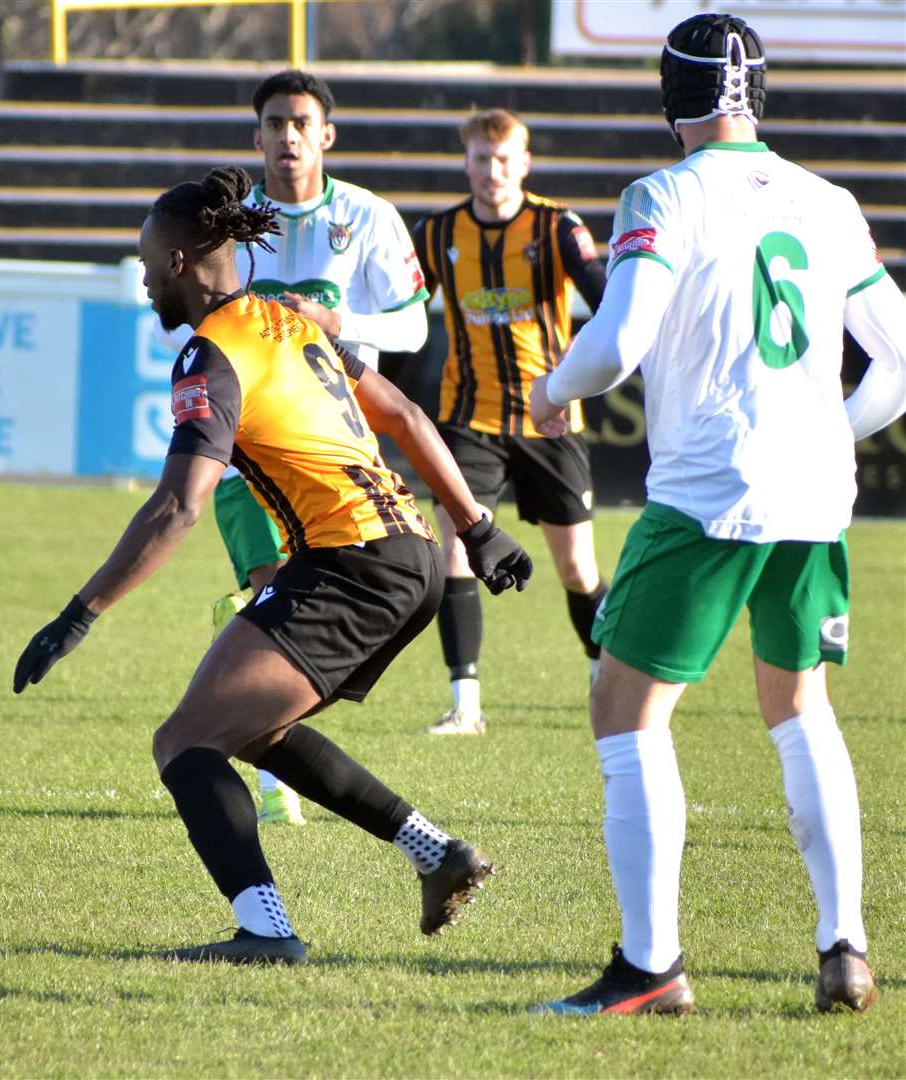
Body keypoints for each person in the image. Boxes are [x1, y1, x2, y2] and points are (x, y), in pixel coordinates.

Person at [13, 166, 533, 965]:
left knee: (184, 744)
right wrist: (476, 525)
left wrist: (77, 616)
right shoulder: (286, 320)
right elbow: (402, 413)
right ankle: (439, 856)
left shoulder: (210, 354)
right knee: (257, 727)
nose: (146, 281)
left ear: (181, 264)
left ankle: (266, 932)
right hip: (409, 552)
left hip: (353, 563)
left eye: (150, 265)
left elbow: (177, 507)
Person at [526, 14, 906, 1015]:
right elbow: (899, 362)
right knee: (796, 709)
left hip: (708, 493)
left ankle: (648, 969)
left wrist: (550, 388)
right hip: (814, 495)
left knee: (625, 709)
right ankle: (844, 945)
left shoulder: (659, 193)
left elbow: (616, 344)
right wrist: (830, 426)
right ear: (759, 93)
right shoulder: (826, 202)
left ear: (667, 100)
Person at [216, 68, 432, 822]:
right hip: (247, 447)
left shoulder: (368, 219)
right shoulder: (231, 222)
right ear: (257, 136)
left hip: (337, 449)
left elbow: (415, 326)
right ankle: (277, 779)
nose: (287, 136)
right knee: (273, 589)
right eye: (274, 123)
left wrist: (339, 325)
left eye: (301, 122)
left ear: (325, 134)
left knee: (306, 610)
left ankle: (272, 727)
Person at [411, 108, 608, 736]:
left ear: (523, 163)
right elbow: (401, 305)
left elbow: (600, 289)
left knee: (577, 567)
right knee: (456, 554)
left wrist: (599, 346)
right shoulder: (438, 231)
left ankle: (606, 677)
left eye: (503, 160)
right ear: (465, 162)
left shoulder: (555, 226)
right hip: (468, 417)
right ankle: (465, 703)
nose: (491, 171)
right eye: (480, 159)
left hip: (549, 417)